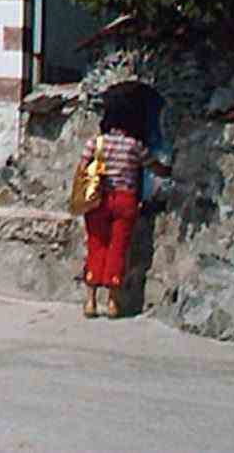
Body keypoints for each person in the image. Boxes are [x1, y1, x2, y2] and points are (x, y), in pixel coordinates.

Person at [76, 106, 170, 317]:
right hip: (125, 200)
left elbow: (82, 170)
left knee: (96, 244)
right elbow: (155, 168)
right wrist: (171, 171)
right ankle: (112, 303)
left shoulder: (95, 143)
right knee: (118, 248)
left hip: (98, 200)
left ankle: (90, 301)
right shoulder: (134, 145)